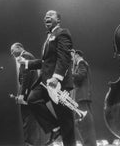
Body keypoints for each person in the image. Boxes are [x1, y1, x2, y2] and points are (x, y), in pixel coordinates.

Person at [19, 10, 75, 146]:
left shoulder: (62, 33)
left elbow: (64, 57)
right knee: (32, 99)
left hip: (58, 84)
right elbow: (45, 62)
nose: (47, 17)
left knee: (66, 120)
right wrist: (26, 63)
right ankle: (55, 128)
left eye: (51, 15)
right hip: (45, 83)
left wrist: (56, 78)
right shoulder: (48, 38)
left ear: (59, 20)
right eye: (45, 16)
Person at [10, 42, 49, 146]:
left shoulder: (26, 56)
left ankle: (31, 144)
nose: (12, 54)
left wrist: (22, 94)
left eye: (13, 51)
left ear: (19, 47)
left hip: (28, 94)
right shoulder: (26, 56)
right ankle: (32, 143)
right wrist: (19, 94)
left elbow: (27, 76)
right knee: (30, 121)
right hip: (29, 93)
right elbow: (24, 79)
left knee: (29, 121)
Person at [70, 49, 97, 146]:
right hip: (81, 98)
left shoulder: (81, 62)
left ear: (76, 55)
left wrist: (70, 73)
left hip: (81, 97)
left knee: (84, 125)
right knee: (81, 125)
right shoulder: (81, 63)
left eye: (72, 56)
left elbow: (81, 75)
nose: (71, 59)